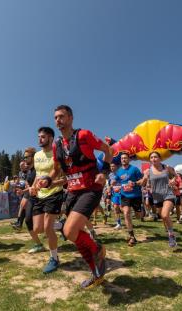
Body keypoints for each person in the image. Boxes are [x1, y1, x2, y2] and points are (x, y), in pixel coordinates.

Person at [46, 105, 112, 289]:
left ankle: (97, 249)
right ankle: (96, 273)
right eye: (55, 118)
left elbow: (108, 150)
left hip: (91, 189)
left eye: (61, 116)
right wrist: (47, 179)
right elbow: (56, 169)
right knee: (74, 234)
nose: (58, 120)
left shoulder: (84, 135)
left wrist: (104, 173)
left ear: (71, 118)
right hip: (72, 192)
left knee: (69, 231)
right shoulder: (56, 145)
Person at [29, 127, 66, 273]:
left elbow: (64, 178)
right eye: (39, 137)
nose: (40, 139)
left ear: (51, 138)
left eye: (43, 137)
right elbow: (38, 176)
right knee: (38, 228)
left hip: (55, 193)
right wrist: (33, 187)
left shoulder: (58, 154)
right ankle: (61, 226)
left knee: (48, 228)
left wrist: (51, 183)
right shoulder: (37, 155)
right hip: (40, 195)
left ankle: (54, 258)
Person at [143, 151, 178, 248]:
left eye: (155, 157)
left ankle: (171, 235)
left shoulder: (166, 167)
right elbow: (144, 181)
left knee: (164, 214)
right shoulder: (148, 171)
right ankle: (169, 230)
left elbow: (176, 175)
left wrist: (173, 180)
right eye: (151, 157)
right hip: (156, 197)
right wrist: (142, 183)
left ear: (160, 158)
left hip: (168, 194)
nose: (153, 159)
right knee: (163, 217)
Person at [113, 153, 145, 246]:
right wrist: (114, 184)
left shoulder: (134, 169)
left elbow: (142, 181)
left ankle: (143, 211)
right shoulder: (119, 171)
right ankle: (132, 237)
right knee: (126, 213)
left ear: (129, 159)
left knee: (139, 216)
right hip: (125, 196)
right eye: (122, 158)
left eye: (125, 158)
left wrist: (134, 183)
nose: (123, 159)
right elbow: (116, 181)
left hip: (136, 195)